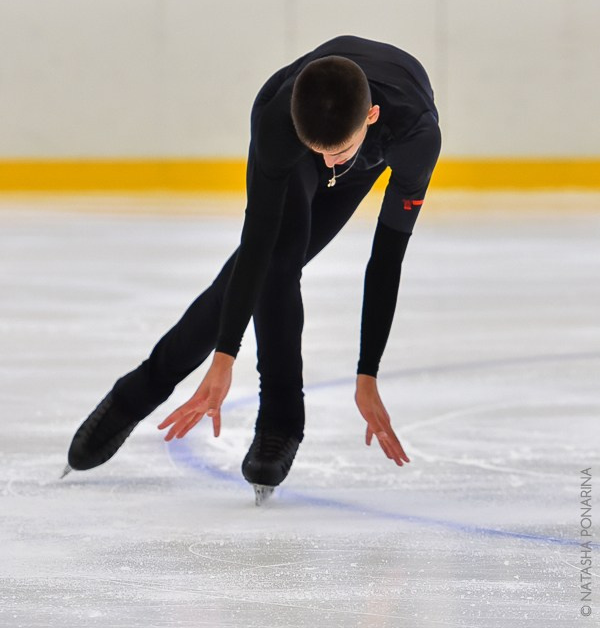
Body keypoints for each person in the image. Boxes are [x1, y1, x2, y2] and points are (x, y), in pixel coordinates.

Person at [65, 35, 441, 504]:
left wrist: (367, 373)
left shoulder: (415, 137)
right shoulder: (279, 124)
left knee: (280, 261)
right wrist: (224, 357)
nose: (327, 164)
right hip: (302, 131)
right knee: (276, 259)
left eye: (336, 152)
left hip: (369, 152)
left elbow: (386, 258)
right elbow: (257, 243)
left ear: (371, 116)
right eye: (318, 151)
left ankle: (148, 391)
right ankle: (267, 416)